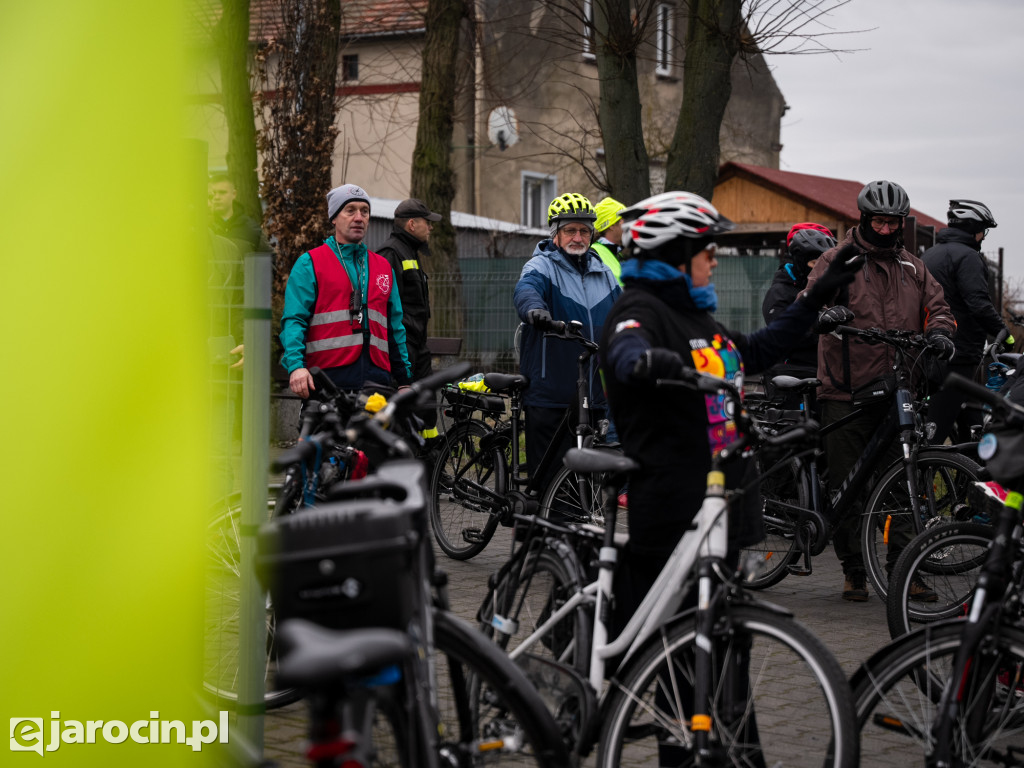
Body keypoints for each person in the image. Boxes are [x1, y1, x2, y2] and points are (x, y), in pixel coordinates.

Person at [600, 192, 859, 762]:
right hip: (674, 513)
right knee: (682, 677)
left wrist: (815, 295)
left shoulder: (697, 316)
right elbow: (625, 350)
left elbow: (760, 350)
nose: (714, 257)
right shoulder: (639, 310)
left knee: (728, 660)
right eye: (705, 248)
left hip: (726, 512)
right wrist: (643, 363)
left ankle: (741, 755)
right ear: (674, 252)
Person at [806, 179, 957, 601]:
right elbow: (808, 302)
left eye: (895, 223)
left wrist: (942, 333)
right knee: (847, 487)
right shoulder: (837, 259)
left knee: (905, 482)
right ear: (865, 219)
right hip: (845, 389)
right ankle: (854, 570)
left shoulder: (915, 266)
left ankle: (906, 572)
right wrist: (827, 311)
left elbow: (940, 309)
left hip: (899, 388)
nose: (888, 230)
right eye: (880, 222)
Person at [514, 192, 621, 495]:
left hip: (593, 392)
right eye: (570, 230)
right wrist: (534, 308)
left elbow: (626, 311)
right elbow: (526, 290)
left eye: (584, 230)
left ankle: (577, 537)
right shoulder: (541, 265)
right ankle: (539, 537)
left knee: (586, 479)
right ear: (556, 234)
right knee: (548, 479)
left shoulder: (605, 273)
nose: (578, 236)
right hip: (552, 390)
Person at [280, 183, 412, 400]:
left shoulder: (382, 267)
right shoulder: (310, 263)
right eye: (350, 210)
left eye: (364, 211)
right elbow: (294, 320)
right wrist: (296, 366)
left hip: (376, 382)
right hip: (325, 381)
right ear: (334, 217)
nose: (359, 217)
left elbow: (395, 328)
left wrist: (404, 381)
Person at [922, 199, 1014, 443]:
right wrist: (1004, 332)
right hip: (960, 352)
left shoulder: (931, 254)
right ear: (974, 229)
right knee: (936, 430)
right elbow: (978, 304)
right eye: (983, 230)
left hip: (933, 348)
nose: (983, 237)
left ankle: (968, 475)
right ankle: (916, 475)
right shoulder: (968, 257)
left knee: (972, 422)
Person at [375, 198, 443, 440]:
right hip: (402, 349)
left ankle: (431, 462)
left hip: (417, 347)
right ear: (412, 224)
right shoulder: (390, 254)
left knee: (427, 407)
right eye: (428, 222)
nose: (431, 227)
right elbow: (383, 309)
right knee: (403, 412)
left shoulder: (408, 252)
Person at [760, 223, 836, 405]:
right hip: (790, 374)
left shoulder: (830, 290)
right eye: (814, 263)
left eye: (824, 264)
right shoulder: (780, 292)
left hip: (823, 374)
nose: (819, 270)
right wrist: (825, 331)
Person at [208, 172, 271, 254]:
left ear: (234, 194)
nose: (216, 197)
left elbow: (266, 262)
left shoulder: (252, 229)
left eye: (222, 192)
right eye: (212, 194)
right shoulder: (204, 227)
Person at [592, 196, 627, 285]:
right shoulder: (593, 254)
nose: (628, 226)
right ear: (611, 225)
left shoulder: (617, 252)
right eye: (624, 221)